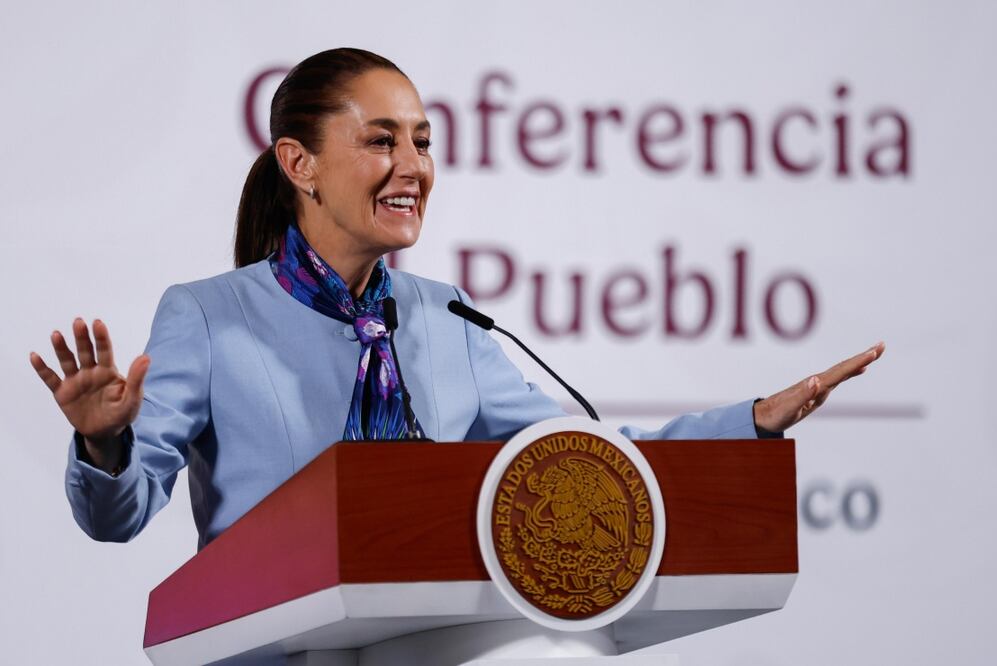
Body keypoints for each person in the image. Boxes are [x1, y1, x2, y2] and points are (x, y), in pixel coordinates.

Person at [29, 48, 884, 549]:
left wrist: (749, 423)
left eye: (423, 142)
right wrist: (104, 444)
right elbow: (120, 517)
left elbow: (584, 461)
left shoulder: (445, 317)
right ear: (299, 164)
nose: (413, 167)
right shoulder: (209, 315)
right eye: (381, 141)